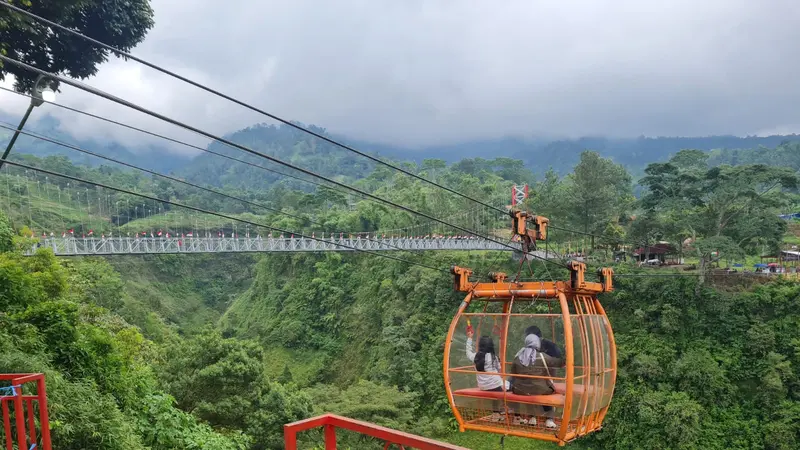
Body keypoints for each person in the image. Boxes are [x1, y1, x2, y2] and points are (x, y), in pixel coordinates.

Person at [511, 334, 565, 430]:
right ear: (537, 343)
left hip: (520, 389)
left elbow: (513, 373)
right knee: (547, 392)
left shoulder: (518, 357)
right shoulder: (542, 357)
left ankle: (532, 418)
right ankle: (549, 419)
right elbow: (558, 363)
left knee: (528, 391)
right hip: (540, 389)